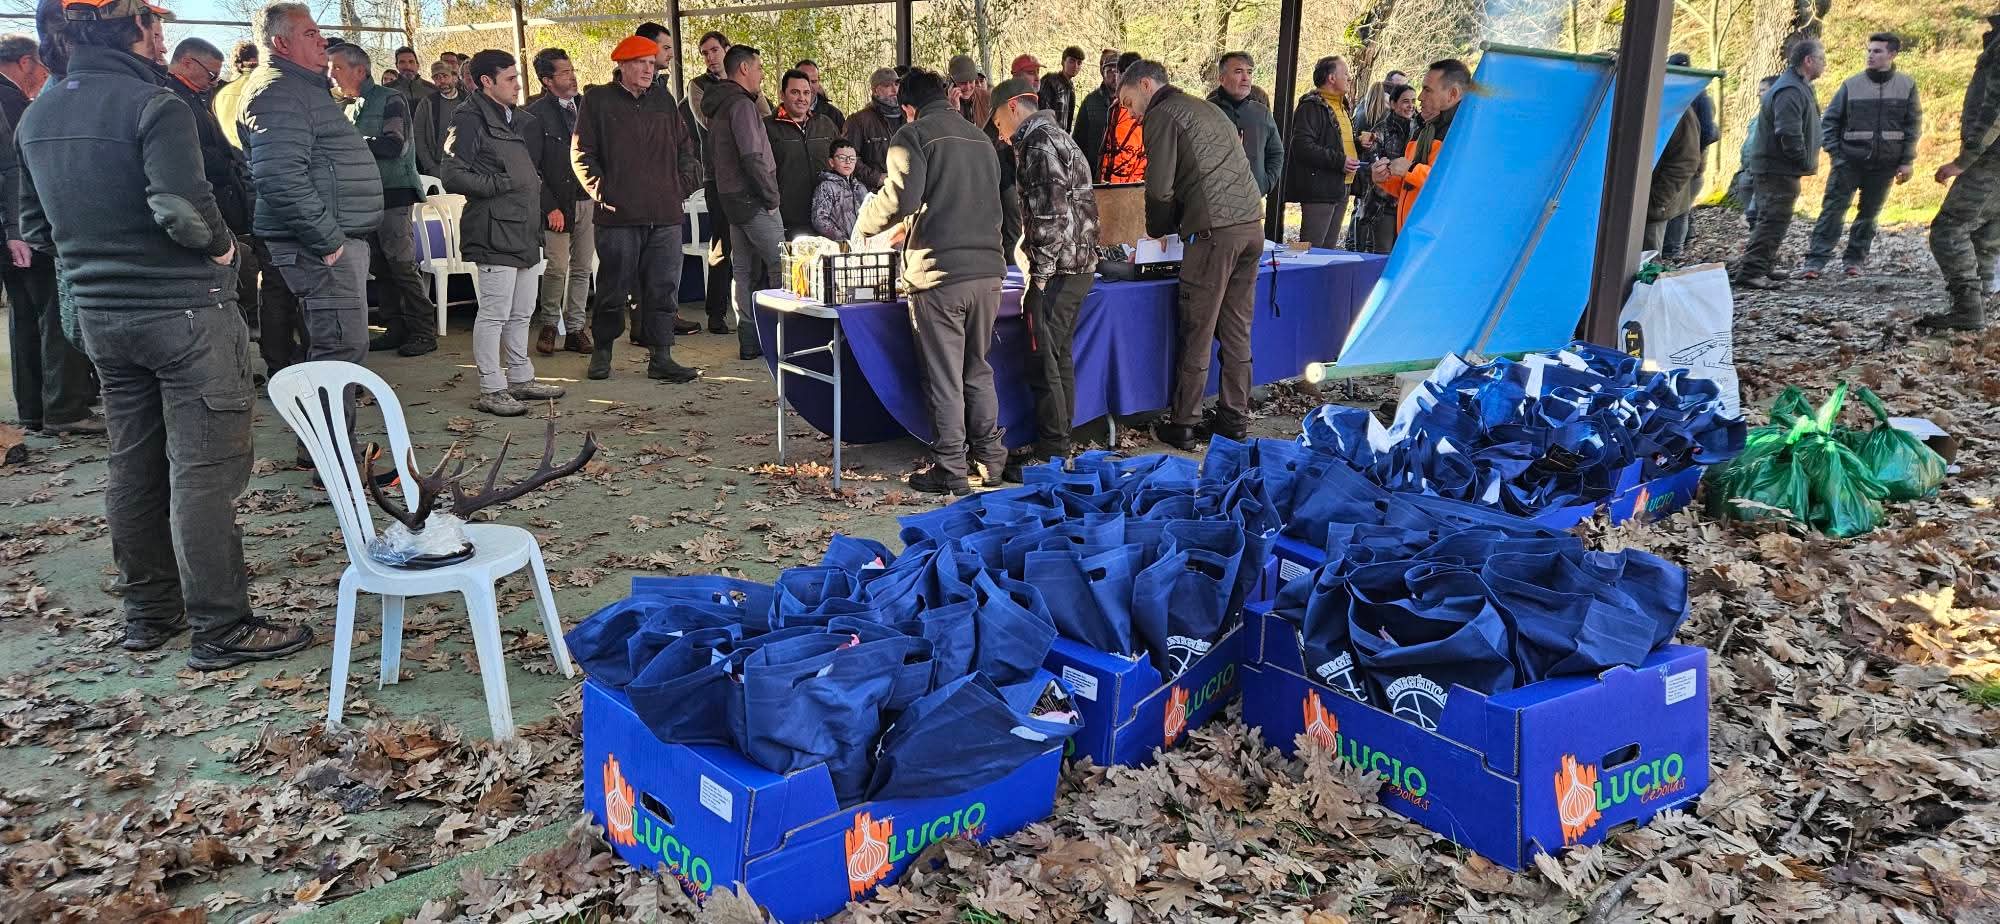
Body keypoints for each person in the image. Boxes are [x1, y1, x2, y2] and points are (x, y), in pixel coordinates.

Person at [20, 0, 312, 667]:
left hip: (102, 319)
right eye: (154, 24)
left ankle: (149, 612)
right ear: (132, 28)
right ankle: (221, 625)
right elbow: (181, 208)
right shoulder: (155, 105)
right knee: (205, 471)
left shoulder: (39, 114)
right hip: (183, 315)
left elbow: (36, 229)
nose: (161, 35)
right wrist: (224, 250)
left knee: (134, 463)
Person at [852, 67, 1007, 495]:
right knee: (978, 368)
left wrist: (864, 222)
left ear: (908, 107)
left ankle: (951, 467)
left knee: (944, 376)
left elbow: (901, 198)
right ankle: (992, 461)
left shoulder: (913, 135)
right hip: (988, 272)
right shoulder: (981, 138)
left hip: (940, 274)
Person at [240, 2, 385, 404]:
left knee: (341, 351)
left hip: (329, 239)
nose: (322, 41)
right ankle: (331, 444)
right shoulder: (278, 92)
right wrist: (327, 239)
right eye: (310, 34)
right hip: (319, 246)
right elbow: (279, 176)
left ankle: (330, 439)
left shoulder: (300, 88)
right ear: (281, 43)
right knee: (337, 354)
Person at [1119, 59, 1264, 450]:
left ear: (1146, 85)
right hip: (1251, 226)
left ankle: (1184, 422)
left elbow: (1159, 188)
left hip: (1213, 233)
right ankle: (1234, 419)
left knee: (1197, 327)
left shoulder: (1162, 114)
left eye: (1129, 102)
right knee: (1237, 329)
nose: (1130, 113)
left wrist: (1157, 230)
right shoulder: (1208, 108)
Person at [572, 34, 702, 380]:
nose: (648, 70)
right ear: (622, 65)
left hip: (665, 215)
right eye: (641, 63)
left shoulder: (663, 99)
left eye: (651, 63)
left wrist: (679, 188)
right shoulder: (598, 99)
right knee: (612, 289)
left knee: (663, 289)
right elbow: (582, 154)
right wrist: (606, 194)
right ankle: (602, 352)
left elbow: (686, 149)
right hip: (618, 217)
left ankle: (661, 357)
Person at [990, 77, 1097, 482]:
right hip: (1078, 265)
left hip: (1057, 271)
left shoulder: (1038, 143)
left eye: (998, 121)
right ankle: (1059, 444)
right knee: (1059, 356)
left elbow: (1049, 215)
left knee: (1043, 360)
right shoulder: (1059, 136)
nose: (1000, 133)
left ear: (1014, 107)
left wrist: (1039, 277)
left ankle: (1052, 453)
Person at [443, 50, 561, 417]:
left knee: (523, 311)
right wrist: (502, 183)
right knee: (494, 313)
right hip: (493, 230)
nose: (517, 85)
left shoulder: (512, 117)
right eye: (510, 79)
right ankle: (492, 388)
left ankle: (520, 378)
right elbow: (452, 175)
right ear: (486, 82)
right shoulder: (468, 118)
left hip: (523, 228)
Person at [1, 31, 98, 436]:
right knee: (54, 314)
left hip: (11, 230)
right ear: (26, 62)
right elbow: (13, 170)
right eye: (41, 68)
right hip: (25, 230)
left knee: (23, 316)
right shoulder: (13, 104)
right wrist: (19, 229)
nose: (43, 77)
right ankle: (64, 407)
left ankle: (33, 408)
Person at [327, 42, 433, 357]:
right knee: (380, 266)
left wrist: (347, 142)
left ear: (359, 70)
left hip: (394, 192)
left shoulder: (390, 99)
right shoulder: (347, 106)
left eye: (337, 68)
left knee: (401, 264)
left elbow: (393, 145)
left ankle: (423, 330)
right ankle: (394, 326)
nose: (332, 75)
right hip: (363, 196)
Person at [1805, 33, 1920, 279]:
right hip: (1848, 161)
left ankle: (1854, 261)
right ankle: (1815, 262)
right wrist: (1836, 154)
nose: (1870, 55)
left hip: (1885, 164)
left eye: (1877, 51)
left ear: (1892, 54)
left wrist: (1906, 161)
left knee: (1868, 216)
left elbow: (1912, 126)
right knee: (1832, 211)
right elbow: (1829, 122)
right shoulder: (1851, 85)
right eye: (1869, 50)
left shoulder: (1907, 86)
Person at [1923, 13, 2000, 331]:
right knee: (1987, 233)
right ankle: (1981, 309)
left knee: (1949, 229)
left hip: (1991, 159)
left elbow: (1994, 110)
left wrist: (1964, 160)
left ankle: (1969, 310)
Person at [166, 38, 254, 313]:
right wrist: (224, 161)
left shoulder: (196, 97)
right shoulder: (170, 101)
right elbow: (187, 155)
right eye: (211, 74)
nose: (214, 81)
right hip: (204, 198)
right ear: (187, 63)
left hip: (224, 192)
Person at [707, 43, 779, 361]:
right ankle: (781, 335)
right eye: (759, 68)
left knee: (743, 269)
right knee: (781, 264)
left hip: (731, 197)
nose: (761, 75)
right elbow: (752, 156)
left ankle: (749, 338)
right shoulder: (741, 106)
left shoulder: (720, 104)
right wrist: (771, 195)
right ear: (745, 68)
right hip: (753, 198)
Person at [1735, 39, 1825, 290]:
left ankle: (1763, 267)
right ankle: (1752, 272)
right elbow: (1788, 131)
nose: (1824, 64)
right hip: (1777, 168)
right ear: (1808, 61)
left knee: (1773, 219)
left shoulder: (1797, 87)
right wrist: (1801, 158)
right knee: (1772, 220)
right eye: (1821, 59)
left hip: (1780, 167)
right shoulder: (1790, 90)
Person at [526, 47, 591, 356]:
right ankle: (550, 324)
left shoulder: (586, 107)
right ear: (547, 80)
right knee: (557, 267)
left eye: (572, 70)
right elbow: (532, 168)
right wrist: (549, 206)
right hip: (556, 203)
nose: (572, 76)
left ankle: (576, 328)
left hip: (587, 198)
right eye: (564, 73)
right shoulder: (535, 114)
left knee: (582, 267)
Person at [1373, 58, 1469, 233]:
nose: (1420, 97)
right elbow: (1409, 189)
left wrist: (1410, 169)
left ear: (1452, 94)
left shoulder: (1463, 134)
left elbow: (1451, 187)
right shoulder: (1424, 129)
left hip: (1434, 239)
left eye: (1428, 90)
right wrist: (1384, 179)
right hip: (1412, 235)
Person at [685, 30, 737, 337]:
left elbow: (763, 117)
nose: (710, 57)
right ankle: (716, 313)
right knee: (721, 243)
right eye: (704, 52)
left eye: (714, 50)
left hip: (748, 175)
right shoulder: (698, 85)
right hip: (716, 174)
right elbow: (707, 122)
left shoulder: (744, 80)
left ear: (727, 50)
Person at [1289, 55, 1361, 249]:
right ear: (1331, 78)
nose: (1349, 78)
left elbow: (1334, 143)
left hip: (1341, 186)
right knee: (1309, 249)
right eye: (1345, 73)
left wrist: (1359, 144)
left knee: (1327, 250)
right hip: (1319, 189)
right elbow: (1302, 147)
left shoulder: (1342, 105)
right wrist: (1340, 161)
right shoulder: (1311, 106)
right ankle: (1298, 270)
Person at [767, 67, 839, 237]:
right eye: (795, 92)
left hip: (827, 217)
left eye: (806, 93)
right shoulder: (767, 127)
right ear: (782, 95)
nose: (802, 98)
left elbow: (843, 161)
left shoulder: (825, 124)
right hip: (787, 220)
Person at [1661, 52, 1719, 258]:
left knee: (1679, 207)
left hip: (1686, 161)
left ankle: (1674, 250)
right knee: (1681, 207)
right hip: (1689, 159)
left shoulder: (1695, 96)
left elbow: (1709, 132)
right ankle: (1677, 246)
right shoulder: (1698, 94)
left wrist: (1694, 150)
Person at [1209, 51, 1284, 198]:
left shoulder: (1261, 113)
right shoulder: (1207, 111)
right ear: (1222, 78)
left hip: (1252, 197)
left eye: (1249, 72)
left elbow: (1276, 153)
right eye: (1238, 72)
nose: (1246, 78)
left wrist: (1265, 184)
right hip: (1214, 198)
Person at [1357, 83, 1416, 253]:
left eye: (1413, 101)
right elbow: (1372, 166)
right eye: (1405, 101)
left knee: (1404, 254)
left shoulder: (1419, 129)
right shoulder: (1381, 131)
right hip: (1384, 204)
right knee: (1384, 253)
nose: (1411, 105)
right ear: (1393, 103)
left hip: (1410, 202)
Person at [1644, 103, 1703, 253]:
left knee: (1646, 258)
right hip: (1629, 201)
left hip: (1652, 204)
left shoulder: (1679, 108)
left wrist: (1656, 200)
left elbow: (1687, 160)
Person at [1727, 74, 1780, 225]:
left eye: (1763, 90)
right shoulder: (1759, 116)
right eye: (1759, 90)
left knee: (1762, 215)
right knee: (1751, 215)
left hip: (1766, 172)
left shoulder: (1780, 115)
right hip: (1749, 170)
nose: (1758, 94)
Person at [843, 66, 903, 191]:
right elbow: (848, 157)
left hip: (908, 191)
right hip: (875, 194)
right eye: (887, 85)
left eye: (896, 84)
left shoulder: (909, 116)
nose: (894, 90)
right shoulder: (858, 121)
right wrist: (877, 178)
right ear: (876, 91)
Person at [411, 58, 465, 177]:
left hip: (467, 166)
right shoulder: (427, 103)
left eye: (445, 76)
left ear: (453, 77)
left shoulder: (468, 100)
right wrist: (430, 167)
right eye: (437, 78)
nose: (442, 81)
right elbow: (418, 137)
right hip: (438, 166)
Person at [1099, 51, 1146, 183]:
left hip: (1128, 185)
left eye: (1117, 73)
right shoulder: (1116, 106)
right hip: (1117, 184)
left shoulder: (1135, 108)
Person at [1073, 49, 1118, 180]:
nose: (1115, 75)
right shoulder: (1090, 102)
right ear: (1103, 73)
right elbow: (1078, 142)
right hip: (1095, 175)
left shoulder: (1133, 102)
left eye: (1118, 71)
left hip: (1125, 174)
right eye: (1110, 71)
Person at [811, 138, 867, 239]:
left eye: (852, 158)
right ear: (831, 162)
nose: (848, 161)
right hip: (838, 245)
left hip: (861, 243)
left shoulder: (861, 188)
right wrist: (842, 239)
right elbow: (819, 220)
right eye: (842, 158)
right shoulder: (826, 187)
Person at [1040, 45, 1083, 132]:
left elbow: (1068, 123)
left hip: (1062, 137)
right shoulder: (1050, 82)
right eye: (1072, 61)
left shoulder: (1070, 88)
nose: (1075, 66)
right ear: (1063, 62)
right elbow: (1043, 114)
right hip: (1048, 135)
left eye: (1079, 63)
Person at [796, 58, 843, 130]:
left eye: (813, 82)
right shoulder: (782, 114)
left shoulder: (834, 115)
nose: (809, 87)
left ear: (818, 81)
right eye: (804, 81)